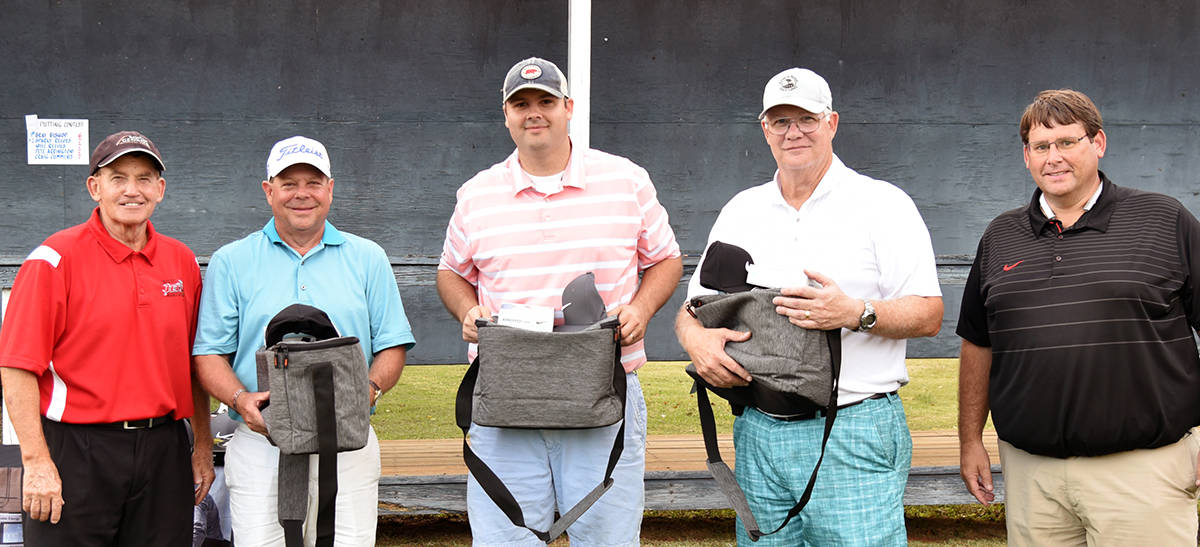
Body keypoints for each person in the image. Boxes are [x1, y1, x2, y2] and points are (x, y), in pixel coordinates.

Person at [675, 67, 943, 545]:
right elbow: (692, 309)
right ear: (764, 129)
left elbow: (927, 313)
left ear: (832, 123)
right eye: (780, 121)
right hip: (757, 431)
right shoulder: (741, 210)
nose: (793, 132)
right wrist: (696, 341)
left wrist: (855, 313)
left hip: (852, 428)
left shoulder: (882, 204)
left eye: (807, 119)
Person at [436, 56, 682, 546]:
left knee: (606, 539)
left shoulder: (626, 180)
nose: (534, 113)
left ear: (568, 108)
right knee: (507, 540)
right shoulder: (477, 193)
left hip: (602, 394)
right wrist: (468, 310)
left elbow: (666, 260)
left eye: (546, 101)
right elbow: (451, 272)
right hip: (505, 401)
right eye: (521, 104)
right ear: (506, 115)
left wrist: (640, 309)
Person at [957, 89, 1200, 545]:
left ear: (1099, 143)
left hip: (1141, 472)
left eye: (1067, 142)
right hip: (1033, 477)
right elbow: (978, 343)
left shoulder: (1163, 219)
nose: (1054, 157)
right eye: (1041, 146)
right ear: (1026, 155)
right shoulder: (1000, 236)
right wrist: (971, 440)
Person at [192, 136, 415, 546]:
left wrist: (366, 390)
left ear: (330, 188)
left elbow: (392, 345)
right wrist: (241, 400)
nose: (301, 194)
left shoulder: (368, 257)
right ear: (268, 190)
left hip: (347, 444)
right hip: (262, 444)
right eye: (288, 182)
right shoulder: (232, 261)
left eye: (313, 183)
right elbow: (209, 354)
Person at [0, 130, 214, 545]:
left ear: (161, 189)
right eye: (118, 178)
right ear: (95, 188)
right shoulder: (53, 260)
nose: (132, 190)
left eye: (144, 178)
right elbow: (17, 367)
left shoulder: (182, 261)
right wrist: (36, 461)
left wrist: (202, 445)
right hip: (76, 451)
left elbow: (195, 364)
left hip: (164, 449)